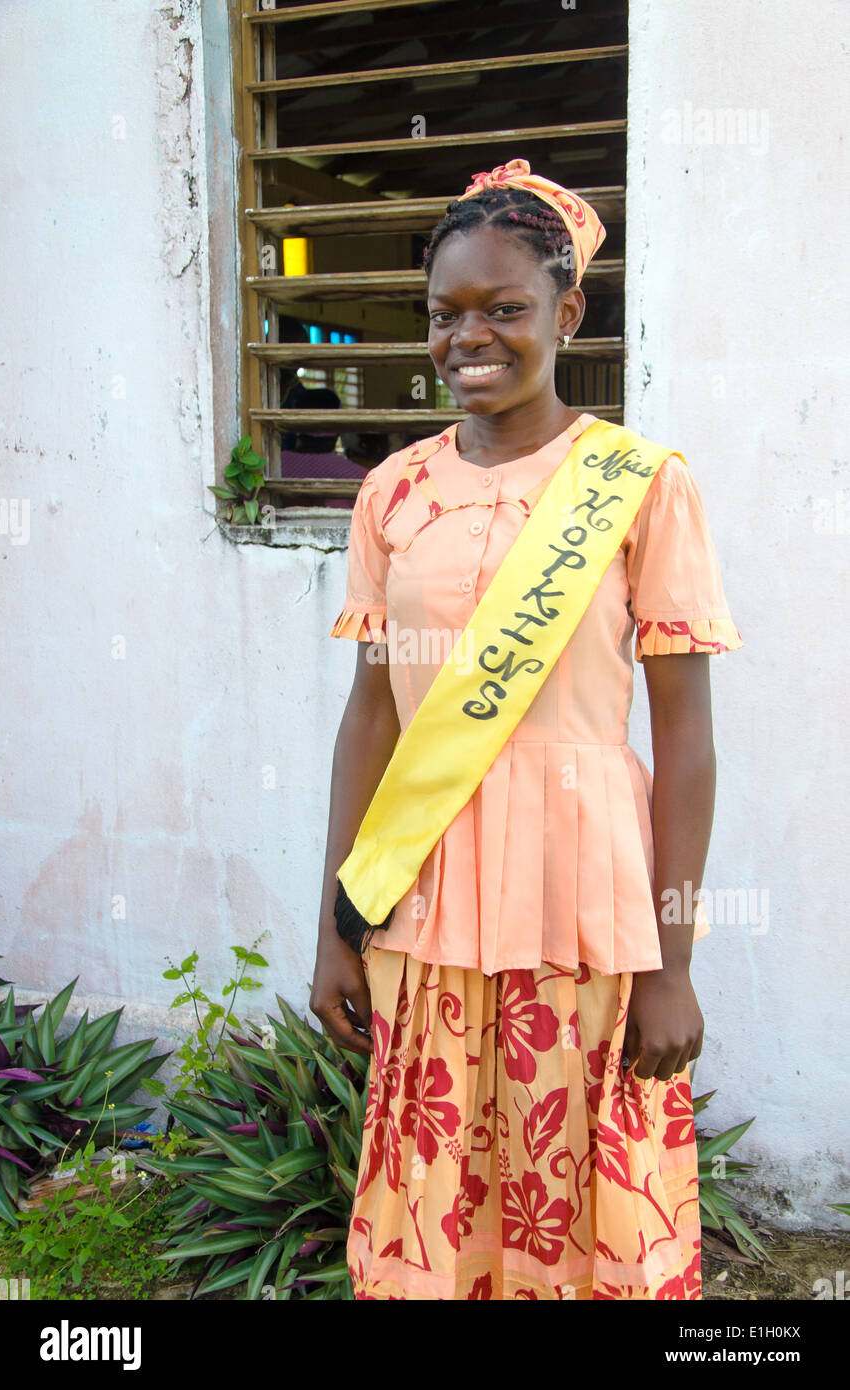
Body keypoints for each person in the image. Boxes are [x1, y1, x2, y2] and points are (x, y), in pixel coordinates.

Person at [310, 157, 743, 1300]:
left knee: (583, 1186)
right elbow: (372, 714)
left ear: (566, 310)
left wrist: (672, 961)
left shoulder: (640, 485)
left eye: (502, 308)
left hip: (585, 895)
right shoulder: (393, 491)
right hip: (424, 885)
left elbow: (685, 740)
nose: (469, 337)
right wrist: (332, 928)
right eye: (445, 314)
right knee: (436, 1187)